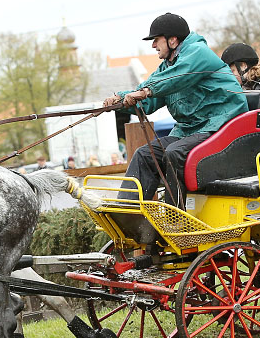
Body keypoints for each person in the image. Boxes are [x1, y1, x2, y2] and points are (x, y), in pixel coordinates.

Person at [104, 13, 247, 202]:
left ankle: (175, 216)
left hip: (221, 127)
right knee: (144, 154)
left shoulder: (198, 52)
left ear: (172, 40)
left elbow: (176, 78)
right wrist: (119, 100)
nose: (153, 45)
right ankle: (128, 214)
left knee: (174, 153)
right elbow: (148, 101)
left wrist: (146, 91)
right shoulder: (167, 67)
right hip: (192, 132)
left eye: (156, 40)